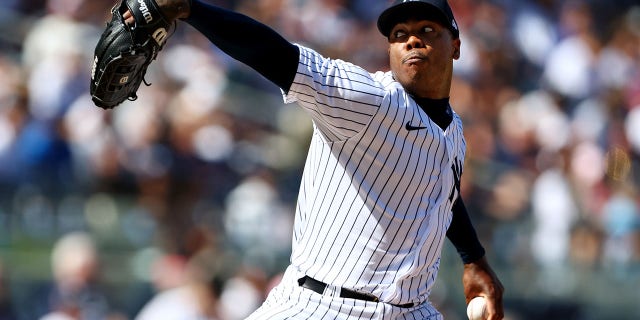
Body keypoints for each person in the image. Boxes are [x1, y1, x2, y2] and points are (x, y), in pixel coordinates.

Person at [123, 0, 504, 318]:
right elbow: (277, 56)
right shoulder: (371, 101)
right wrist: (190, 8)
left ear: (455, 44)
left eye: (427, 30)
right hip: (322, 305)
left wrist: (474, 259)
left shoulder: (452, 130)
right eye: (399, 35)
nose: (412, 41)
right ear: (389, 50)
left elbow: (443, 194)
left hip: (412, 310)